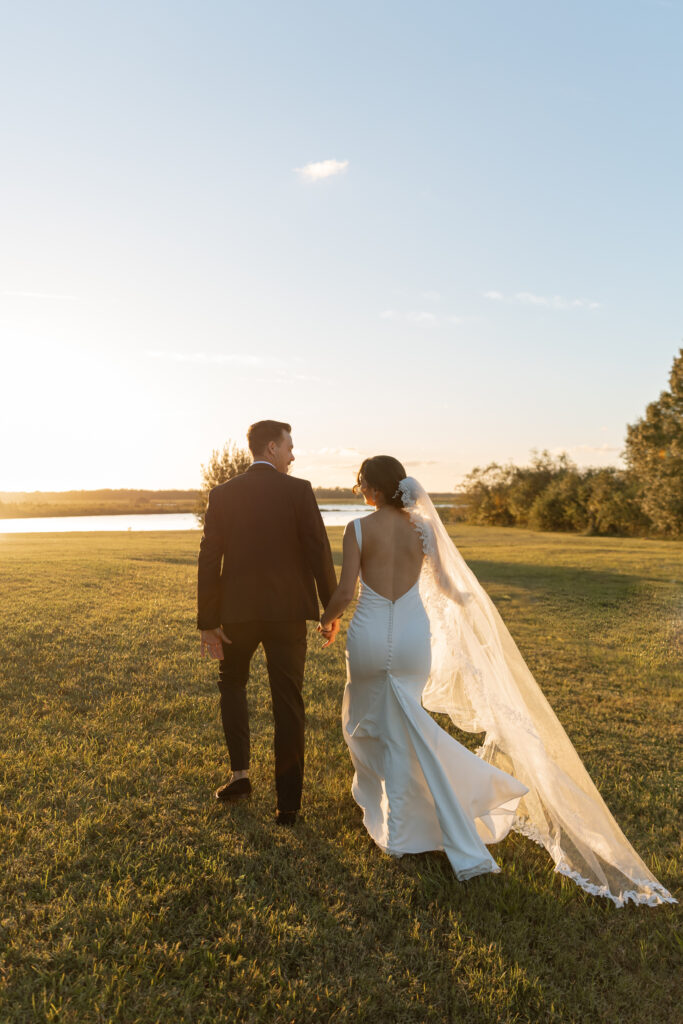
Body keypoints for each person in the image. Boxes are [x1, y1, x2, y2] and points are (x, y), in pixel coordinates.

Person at [320, 456, 676, 905]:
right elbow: (448, 588)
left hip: (370, 635)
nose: (359, 492)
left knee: (372, 725)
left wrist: (328, 620)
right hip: (412, 639)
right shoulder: (421, 530)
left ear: (371, 487)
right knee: (405, 729)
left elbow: (346, 592)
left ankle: (404, 825)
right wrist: (475, 609)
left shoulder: (356, 529)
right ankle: (411, 820)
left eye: (359, 485)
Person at [198, 420, 339, 825]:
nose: (293, 455)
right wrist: (331, 609)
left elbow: (210, 556)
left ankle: (240, 776)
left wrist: (209, 619)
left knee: (232, 685)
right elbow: (318, 549)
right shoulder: (298, 491)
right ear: (273, 447)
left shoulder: (223, 494)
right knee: (289, 702)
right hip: (287, 613)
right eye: (290, 447)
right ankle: (288, 805)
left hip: (236, 614)